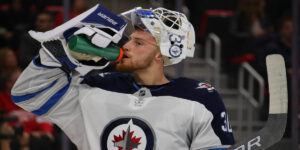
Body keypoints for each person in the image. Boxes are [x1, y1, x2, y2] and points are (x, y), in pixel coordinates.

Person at [11, 4, 234, 150]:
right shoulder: (95, 88)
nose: (126, 46)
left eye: (138, 43)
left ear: (161, 54)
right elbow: (27, 94)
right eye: (129, 40)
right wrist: (60, 55)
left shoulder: (199, 98)